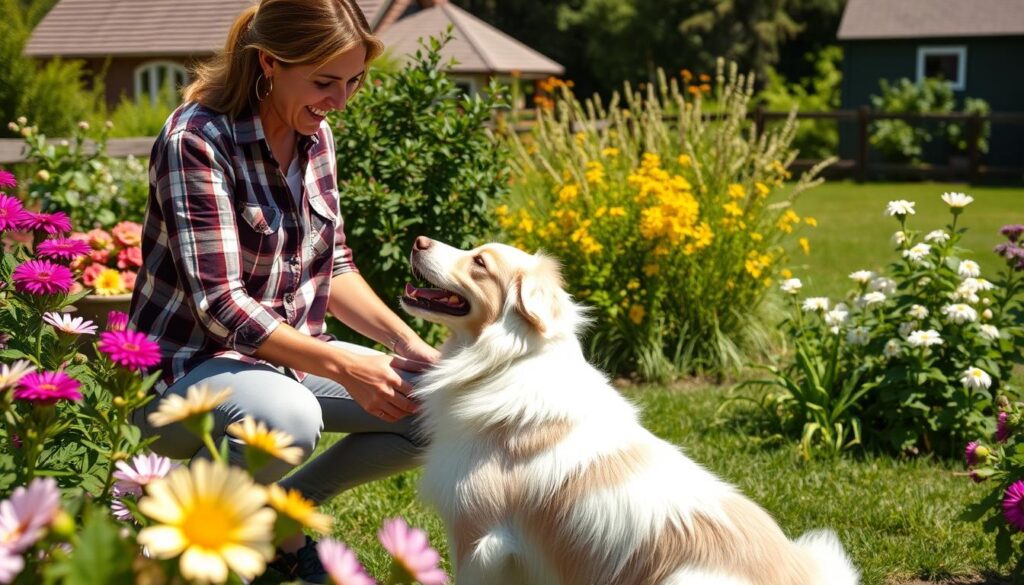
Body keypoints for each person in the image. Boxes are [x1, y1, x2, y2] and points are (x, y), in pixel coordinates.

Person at [128, 0, 439, 581]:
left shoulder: (316, 138)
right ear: (269, 63)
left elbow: (334, 265)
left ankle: (279, 515)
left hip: (285, 364)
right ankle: (184, 534)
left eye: (353, 82)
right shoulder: (197, 139)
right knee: (287, 419)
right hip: (181, 372)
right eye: (325, 82)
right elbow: (220, 306)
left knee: (441, 406)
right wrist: (345, 365)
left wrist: (409, 347)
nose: (340, 102)